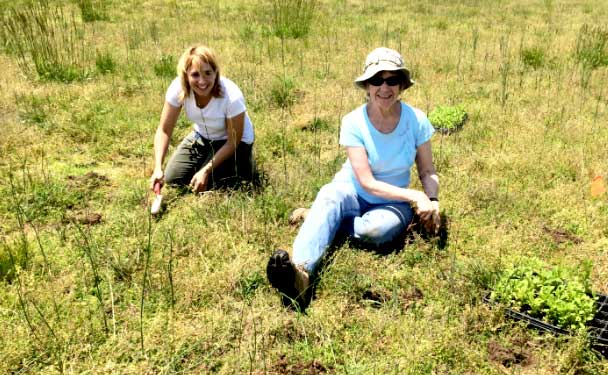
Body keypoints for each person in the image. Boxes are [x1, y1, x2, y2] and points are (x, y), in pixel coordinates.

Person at [266, 47, 440, 308]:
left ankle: (321, 219)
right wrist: (416, 195)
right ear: (367, 86)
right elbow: (367, 182)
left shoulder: (416, 120)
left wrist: (434, 200)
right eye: (376, 80)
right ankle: (300, 275)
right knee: (329, 194)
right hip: (352, 190)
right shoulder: (353, 122)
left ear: (402, 85)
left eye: (392, 80)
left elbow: (427, 171)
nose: (384, 87)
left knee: (378, 231)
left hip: (391, 202)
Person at [149, 45, 255, 194]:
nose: (202, 81)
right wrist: (158, 167)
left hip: (234, 142)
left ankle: (244, 162)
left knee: (217, 185)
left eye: (207, 73)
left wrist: (205, 171)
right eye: (195, 75)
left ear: (215, 72)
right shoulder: (177, 88)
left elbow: (233, 141)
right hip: (203, 136)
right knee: (173, 179)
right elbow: (164, 130)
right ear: (186, 75)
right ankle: (207, 158)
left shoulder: (232, 97)